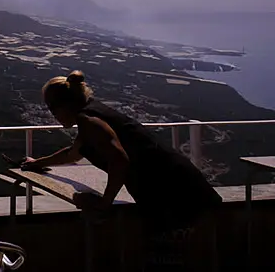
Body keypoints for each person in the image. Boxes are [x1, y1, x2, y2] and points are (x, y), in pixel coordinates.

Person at [23, 70, 222, 270]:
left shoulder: (88, 120)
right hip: (177, 187)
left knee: (165, 261)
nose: (52, 115)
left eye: (51, 108)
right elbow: (73, 153)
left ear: (64, 105)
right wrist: (38, 163)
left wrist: (104, 203)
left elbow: (119, 160)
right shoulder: (91, 115)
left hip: (172, 195)